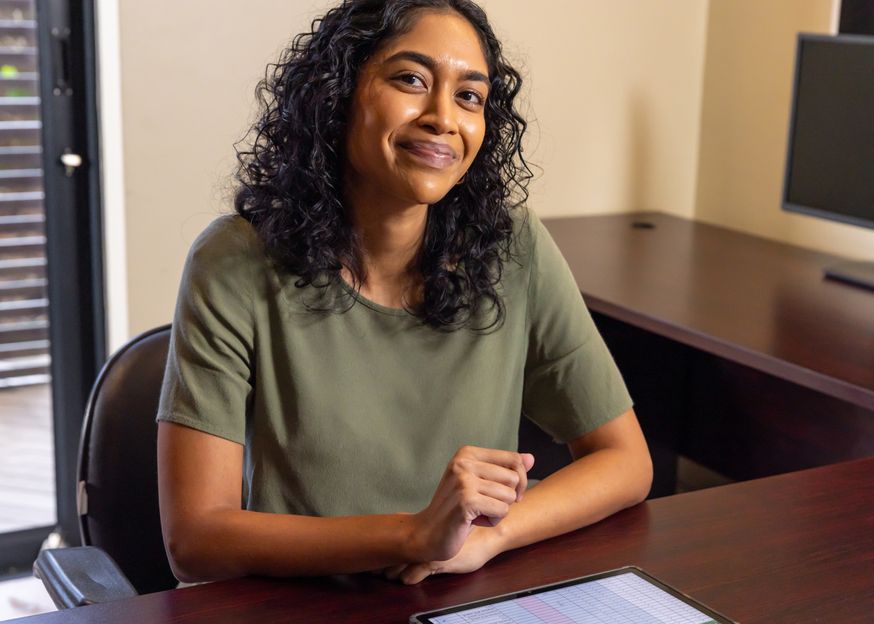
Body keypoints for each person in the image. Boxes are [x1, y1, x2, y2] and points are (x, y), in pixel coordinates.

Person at [156, 0, 652, 586]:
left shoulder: (513, 246)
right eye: (411, 80)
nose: (444, 117)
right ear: (336, 95)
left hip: (460, 605)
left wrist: (489, 538)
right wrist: (413, 534)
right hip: (296, 623)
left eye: (470, 96)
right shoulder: (235, 261)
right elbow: (196, 539)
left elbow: (626, 462)